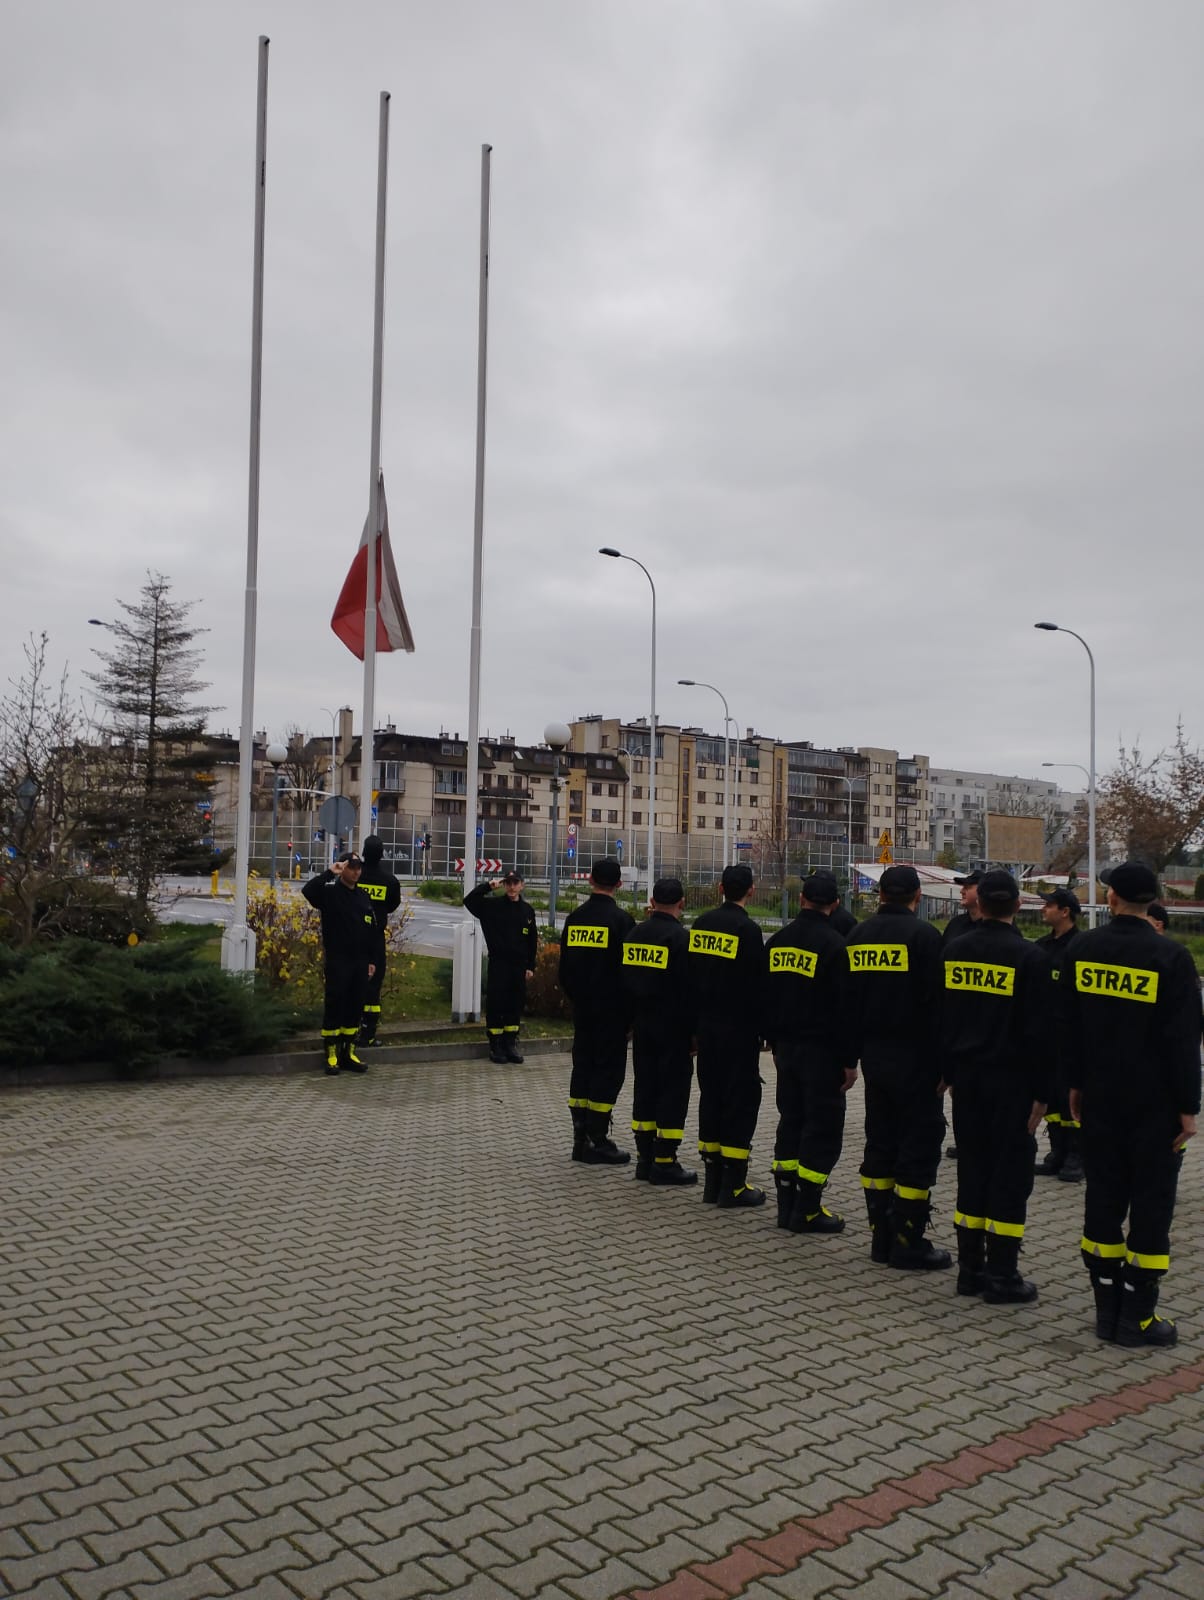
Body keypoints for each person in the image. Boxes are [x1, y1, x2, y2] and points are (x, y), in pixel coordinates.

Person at [1067, 862, 1201, 1347]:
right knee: (1151, 1204)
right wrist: (1188, 1108)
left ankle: (1106, 1312)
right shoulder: (1172, 957)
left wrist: (1075, 1084)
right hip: (1155, 1105)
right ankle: (1137, 1318)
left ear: (1111, 897)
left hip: (1100, 1097)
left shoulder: (1083, 948)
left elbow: (1069, 1025)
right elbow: (1184, 1040)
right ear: (1153, 900)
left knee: (1103, 1197)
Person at [941, 870, 1050, 1304]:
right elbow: (1041, 1032)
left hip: (967, 1081)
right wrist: (1044, 1092)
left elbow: (944, 1018)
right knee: (1009, 1176)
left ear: (980, 904)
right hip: (1013, 1084)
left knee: (972, 1169)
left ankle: (969, 1271)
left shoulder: (954, 950)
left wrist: (948, 1071)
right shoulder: (1031, 958)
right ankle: (1002, 1275)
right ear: (1018, 905)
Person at [846, 864, 950, 1270]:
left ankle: (881, 1237)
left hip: (875, 1058)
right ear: (917, 896)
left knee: (881, 1140)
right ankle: (908, 1241)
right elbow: (939, 1006)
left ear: (880, 894)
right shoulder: (925, 937)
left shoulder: (858, 936)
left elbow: (847, 1003)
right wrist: (945, 1063)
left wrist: (850, 1057)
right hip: (918, 1059)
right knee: (917, 1146)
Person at [763, 870, 855, 1234]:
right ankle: (808, 1210)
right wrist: (849, 1061)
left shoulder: (778, 942)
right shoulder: (835, 946)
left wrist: (772, 1041)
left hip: (785, 1050)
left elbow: (765, 996)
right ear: (835, 904)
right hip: (822, 1053)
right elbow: (844, 1010)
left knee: (791, 1120)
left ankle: (785, 1206)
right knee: (822, 1128)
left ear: (801, 900)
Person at [689, 863, 767, 1209]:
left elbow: (690, 977)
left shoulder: (701, 924)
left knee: (711, 1097)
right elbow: (756, 986)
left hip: (706, 1027)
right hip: (738, 1031)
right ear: (751, 891)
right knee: (739, 1103)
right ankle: (733, 1186)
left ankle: (712, 1182)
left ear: (720, 888)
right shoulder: (747, 930)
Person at [559, 858, 636, 1163]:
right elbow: (629, 973)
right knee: (608, 1072)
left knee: (582, 1067)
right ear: (619, 884)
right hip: (612, 1013)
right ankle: (597, 1139)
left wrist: (577, 999)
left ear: (590, 880)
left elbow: (565, 969)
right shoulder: (622, 921)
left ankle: (580, 1139)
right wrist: (629, 1016)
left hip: (583, 1009)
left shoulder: (575, 919)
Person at [622, 877, 696, 1186]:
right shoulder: (681, 939)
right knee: (672, 1091)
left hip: (642, 1025)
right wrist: (693, 1033)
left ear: (652, 902)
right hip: (673, 1028)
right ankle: (665, 1161)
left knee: (645, 1087)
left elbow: (624, 982)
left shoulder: (634, 934)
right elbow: (689, 990)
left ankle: (644, 1158)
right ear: (682, 903)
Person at [301, 852, 378, 1076]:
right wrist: (329, 872)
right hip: (339, 960)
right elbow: (308, 891)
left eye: (358, 868)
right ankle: (332, 1054)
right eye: (351, 867)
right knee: (336, 1005)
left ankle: (348, 1052)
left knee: (355, 1007)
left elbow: (371, 930)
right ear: (343, 868)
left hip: (360, 962)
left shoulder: (363, 896)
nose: (356, 872)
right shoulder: (330, 893)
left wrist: (371, 960)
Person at [1033, 888, 1084, 1180]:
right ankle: (1057, 1152)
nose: (1044, 909)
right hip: (1046, 1037)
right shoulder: (1041, 947)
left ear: (1065, 911)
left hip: (1072, 1038)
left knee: (1070, 1099)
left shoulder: (1080, 947)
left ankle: (1077, 1156)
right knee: (1051, 1098)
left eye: (1049, 905)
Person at [463, 871, 538, 1063]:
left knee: (515, 1004)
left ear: (522, 885)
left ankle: (510, 1043)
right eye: (508, 883)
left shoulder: (527, 910)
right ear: (504, 885)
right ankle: (495, 1045)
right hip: (499, 964)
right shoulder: (493, 906)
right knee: (497, 1003)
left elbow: (532, 941)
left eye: (515, 883)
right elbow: (469, 901)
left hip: (519, 966)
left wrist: (531, 965)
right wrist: (488, 886)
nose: (512, 887)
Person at [357, 835, 402, 1047]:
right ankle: (368, 1033)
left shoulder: (356, 876)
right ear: (382, 854)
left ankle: (351, 1029)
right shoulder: (389, 881)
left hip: (353, 937)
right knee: (373, 988)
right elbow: (392, 905)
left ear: (364, 853)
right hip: (375, 940)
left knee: (352, 985)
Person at [941, 870, 983, 947]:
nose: (961, 891)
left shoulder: (993, 927)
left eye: (967, 887)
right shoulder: (955, 924)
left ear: (982, 892)